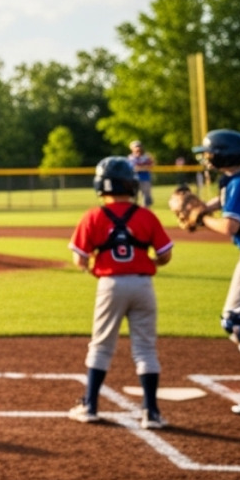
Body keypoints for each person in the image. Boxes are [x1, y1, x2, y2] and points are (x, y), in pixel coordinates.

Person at [66, 157, 172, 429]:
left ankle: (89, 405)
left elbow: (79, 259)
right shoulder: (146, 215)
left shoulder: (92, 216)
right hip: (142, 284)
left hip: (110, 284)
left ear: (100, 186)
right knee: (145, 349)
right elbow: (165, 254)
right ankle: (152, 412)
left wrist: (93, 267)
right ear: (132, 185)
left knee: (101, 346)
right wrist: (153, 262)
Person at [185, 130, 240, 415]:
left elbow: (229, 227)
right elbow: (222, 201)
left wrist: (203, 218)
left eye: (210, 152)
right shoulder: (235, 179)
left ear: (224, 154)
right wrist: (201, 212)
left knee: (236, 322)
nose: (206, 158)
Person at [129, 139, 156, 207]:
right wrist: (143, 168)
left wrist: (140, 168)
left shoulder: (146, 157)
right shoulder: (130, 158)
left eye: (139, 146)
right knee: (133, 196)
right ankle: (132, 211)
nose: (138, 148)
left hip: (145, 179)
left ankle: (146, 211)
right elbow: (132, 168)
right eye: (136, 147)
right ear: (132, 148)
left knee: (146, 197)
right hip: (134, 179)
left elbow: (151, 166)